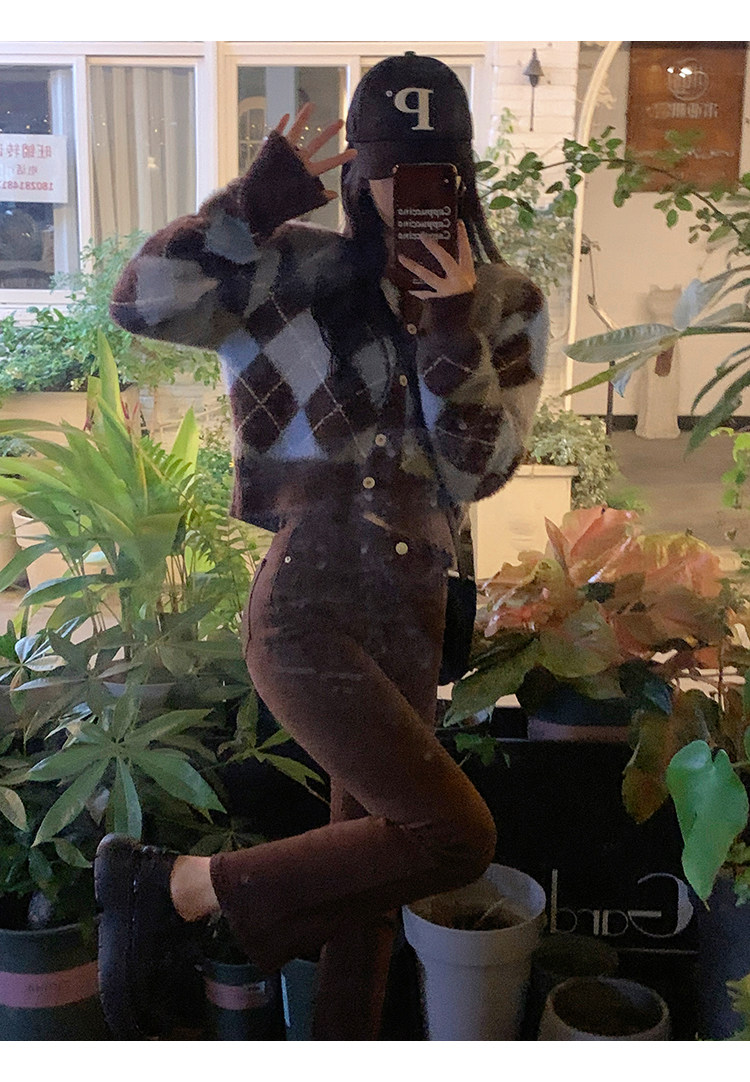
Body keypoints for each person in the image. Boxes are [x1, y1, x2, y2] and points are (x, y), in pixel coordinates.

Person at [94, 52, 548, 1041]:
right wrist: (249, 207)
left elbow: (479, 471)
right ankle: (174, 887)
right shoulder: (287, 269)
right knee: (454, 833)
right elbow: (138, 302)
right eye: (386, 169)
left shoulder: (505, 299)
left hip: (416, 599)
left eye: (432, 173)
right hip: (308, 591)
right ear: (356, 174)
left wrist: (449, 327)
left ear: (462, 177)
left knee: (372, 878)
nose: (406, 193)